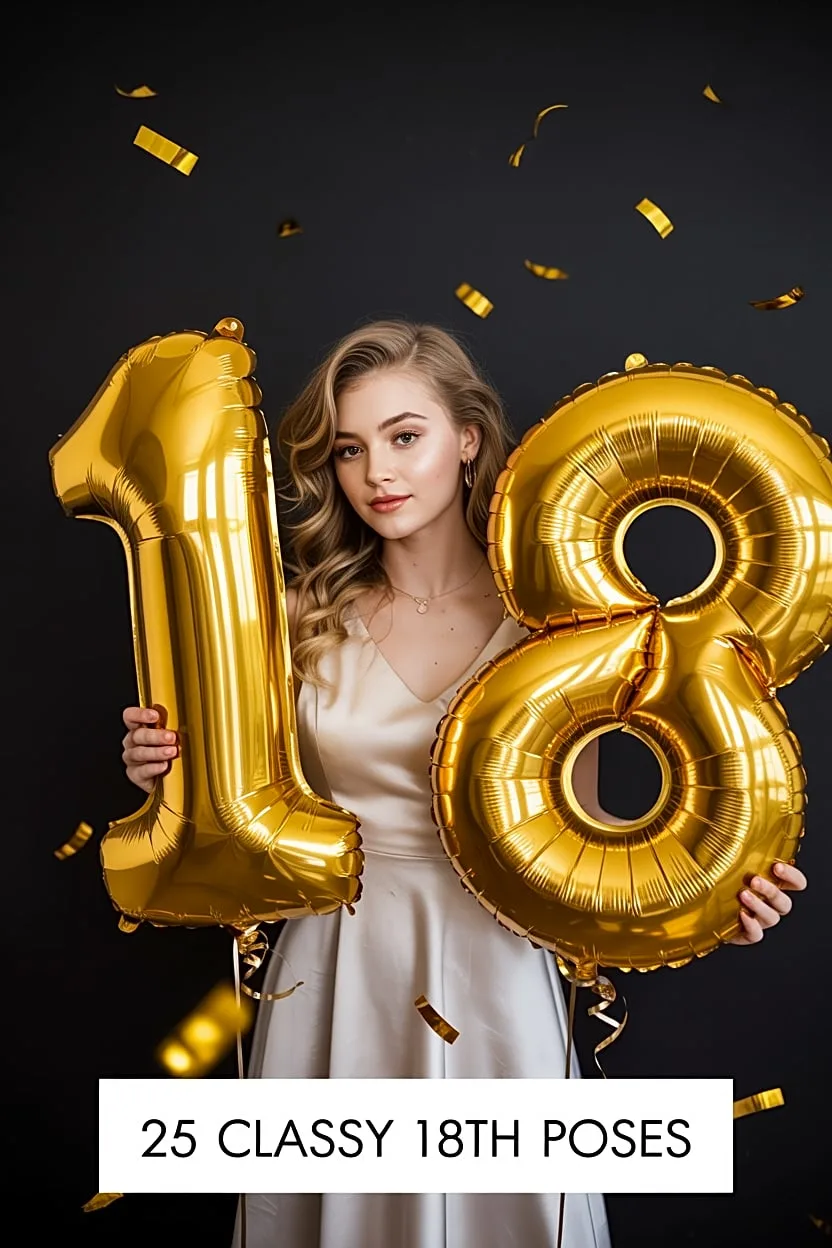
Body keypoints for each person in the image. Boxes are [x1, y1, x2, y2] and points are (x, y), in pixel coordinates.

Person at [120, 320, 807, 1248]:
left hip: (498, 969)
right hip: (336, 967)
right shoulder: (292, 621)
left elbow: (589, 831)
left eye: (405, 436)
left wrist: (715, 895)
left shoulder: (559, 629)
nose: (378, 473)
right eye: (350, 450)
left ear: (468, 439)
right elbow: (236, 802)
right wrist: (166, 769)